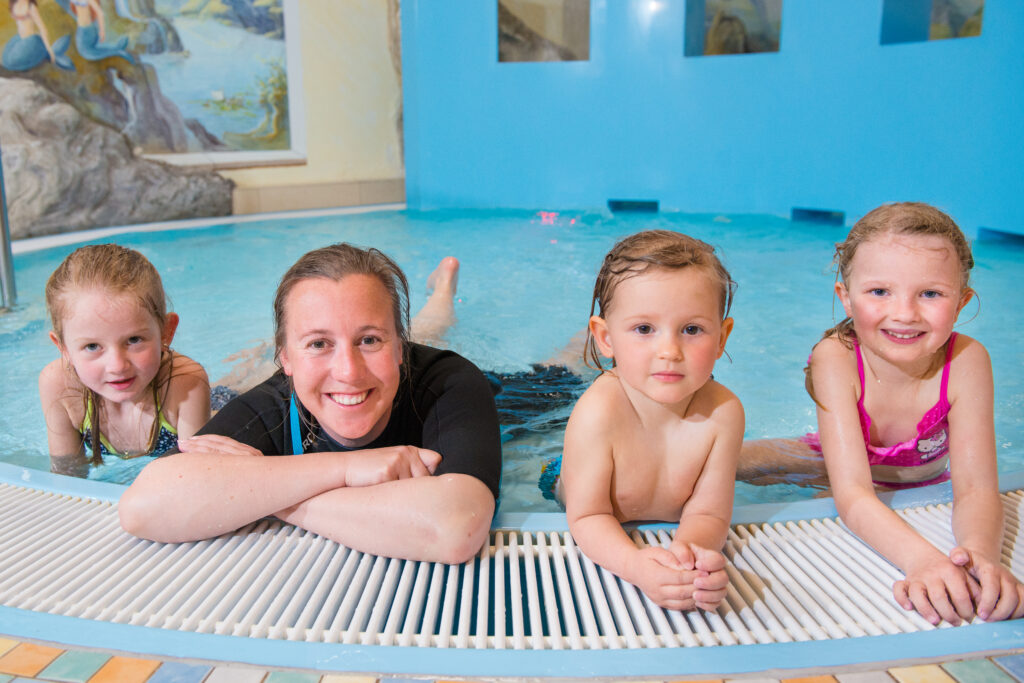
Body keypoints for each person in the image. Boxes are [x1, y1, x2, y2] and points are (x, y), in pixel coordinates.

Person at [119, 244, 501, 565]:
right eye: (318, 344)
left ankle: (442, 293)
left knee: (557, 366)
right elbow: (144, 506)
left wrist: (265, 489)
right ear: (285, 359)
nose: (348, 372)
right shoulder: (272, 405)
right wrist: (349, 467)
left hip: (515, 396)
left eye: (370, 340)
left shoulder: (449, 383)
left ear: (400, 347)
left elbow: (455, 529)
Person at [750, 202, 1024, 625]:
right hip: (833, 462)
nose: (904, 313)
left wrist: (977, 559)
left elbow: (976, 490)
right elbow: (853, 492)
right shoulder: (836, 357)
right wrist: (922, 560)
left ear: (962, 301)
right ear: (846, 297)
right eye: (880, 291)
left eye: (930, 293)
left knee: (826, 539)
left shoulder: (967, 361)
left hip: (916, 480)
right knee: (727, 460)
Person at [559, 230, 743, 611]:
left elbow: (708, 512)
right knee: (552, 374)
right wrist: (635, 566)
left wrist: (690, 558)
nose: (669, 351)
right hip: (558, 481)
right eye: (645, 329)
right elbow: (588, 515)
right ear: (606, 338)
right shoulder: (598, 412)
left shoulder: (724, 414)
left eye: (692, 330)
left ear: (722, 336)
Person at [38, 244, 210, 477]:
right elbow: (66, 474)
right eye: (92, 346)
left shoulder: (186, 384)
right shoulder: (59, 385)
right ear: (64, 348)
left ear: (166, 332)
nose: (117, 366)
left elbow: (197, 478)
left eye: (134, 340)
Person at [2, 0, 74, 71]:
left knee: (13, 61)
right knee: (6, 61)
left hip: (31, 41)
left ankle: (48, 53)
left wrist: (49, 49)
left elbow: (42, 28)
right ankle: (46, 53)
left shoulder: (31, 7)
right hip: (19, 39)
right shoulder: (14, 4)